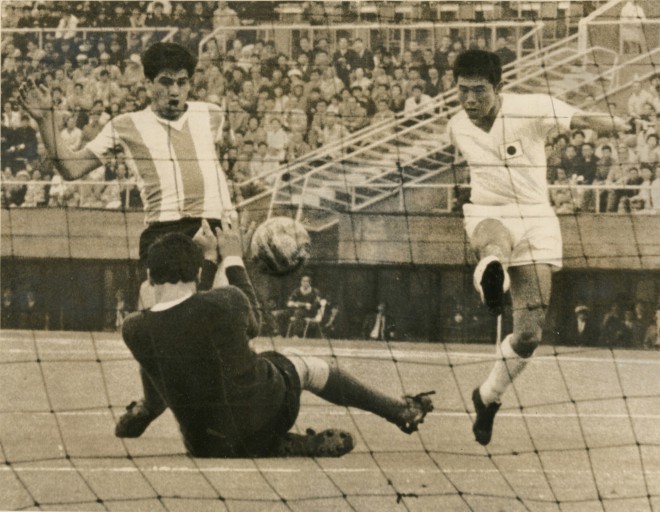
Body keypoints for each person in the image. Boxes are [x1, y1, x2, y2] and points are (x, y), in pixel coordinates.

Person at [115, 220, 434, 457]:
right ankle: (398, 411)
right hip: (264, 411)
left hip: (206, 444)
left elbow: (178, 315)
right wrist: (232, 258)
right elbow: (253, 321)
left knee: (162, 363)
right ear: (198, 274)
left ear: (150, 277)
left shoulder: (133, 329)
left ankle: (146, 409)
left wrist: (208, 260)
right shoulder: (225, 301)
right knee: (302, 364)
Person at [446, 50, 627, 446]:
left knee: (528, 335)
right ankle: (491, 276)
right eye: (463, 91)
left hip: (537, 217)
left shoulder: (530, 108)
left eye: (479, 91)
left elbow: (582, 119)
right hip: (488, 211)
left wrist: (622, 124)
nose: (470, 100)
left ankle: (487, 396)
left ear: (498, 87)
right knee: (495, 245)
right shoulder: (457, 126)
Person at [18, 42, 233, 264]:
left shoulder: (211, 114)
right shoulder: (125, 124)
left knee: (231, 298)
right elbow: (71, 168)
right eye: (166, 82)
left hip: (214, 229)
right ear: (149, 84)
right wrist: (45, 120)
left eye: (182, 82)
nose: (175, 91)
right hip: (164, 231)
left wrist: (230, 217)